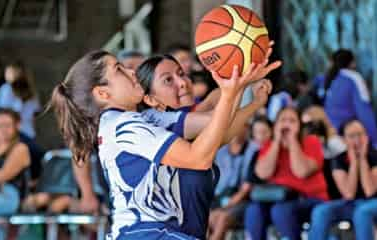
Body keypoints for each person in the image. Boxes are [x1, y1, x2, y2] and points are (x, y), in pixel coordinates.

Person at [49, 50, 262, 239]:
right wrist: (230, 92)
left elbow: (216, 128)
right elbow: (197, 158)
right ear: (102, 93)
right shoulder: (122, 124)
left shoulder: (144, 118)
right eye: (119, 70)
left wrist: (243, 88)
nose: (132, 72)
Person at [136, 52, 280, 239]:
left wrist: (250, 93)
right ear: (150, 99)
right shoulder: (155, 121)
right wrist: (240, 83)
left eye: (181, 73)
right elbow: (218, 120)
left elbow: (220, 127)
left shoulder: (184, 118)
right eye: (168, 80)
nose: (182, 82)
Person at [245, 107, 329, 240]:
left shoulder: (311, 141)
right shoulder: (270, 145)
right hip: (278, 198)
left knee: (280, 211)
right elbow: (262, 174)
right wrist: (277, 142)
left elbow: (301, 172)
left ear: (299, 125)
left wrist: (292, 140)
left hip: (309, 198)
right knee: (253, 210)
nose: (287, 124)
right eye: (283, 120)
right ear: (275, 125)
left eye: (292, 121)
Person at [309, 120, 377, 240]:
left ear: (366, 136)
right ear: (343, 139)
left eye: (360, 134)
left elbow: (369, 190)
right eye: (352, 136)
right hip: (351, 203)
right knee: (321, 211)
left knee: (362, 212)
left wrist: (363, 159)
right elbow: (349, 194)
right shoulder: (338, 160)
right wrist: (354, 162)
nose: (357, 140)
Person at [208, 116, 272, 240]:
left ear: (247, 128)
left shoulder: (254, 150)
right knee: (204, 219)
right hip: (218, 199)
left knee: (221, 219)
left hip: (243, 201)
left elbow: (246, 188)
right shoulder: (220, 150)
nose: (234, 130)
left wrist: (224, 207)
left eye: (238, 125)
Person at [313, 49, 377, 147]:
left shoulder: (326, 78)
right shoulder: (353, 77)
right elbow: (365, 111)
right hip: (347, 138)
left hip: (328, 136)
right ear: (352, 63)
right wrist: (376, 143)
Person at [0, 61, 41, 139]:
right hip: (29, 132)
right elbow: (35, 115)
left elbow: (2, 112)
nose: (5, 74)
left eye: (8, 71)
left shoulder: (6, 88)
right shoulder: (32, 91)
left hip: (11, 134)